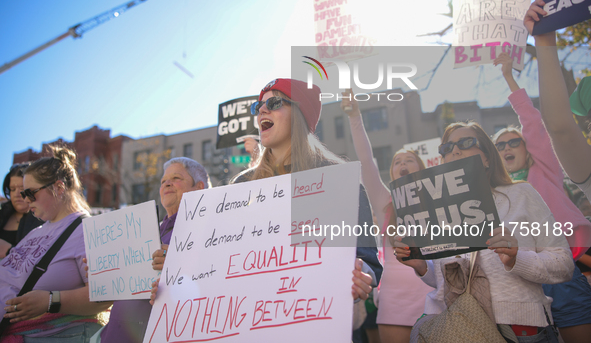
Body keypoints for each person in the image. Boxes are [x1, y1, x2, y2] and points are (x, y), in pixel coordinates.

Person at [394, 121, 573, 343]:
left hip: (519, 331)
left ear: (487, 157)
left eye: (466, 142)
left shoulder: (521, 194)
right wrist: (422, 266)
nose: (455, 150)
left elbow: (564, 264)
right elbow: (445, 281)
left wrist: (516, 259)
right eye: (446, 148)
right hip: (456, 329)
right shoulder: (436, 213)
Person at [232, 78, 383, 340]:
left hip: (321, 326)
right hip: (257, 327)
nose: (262, 111)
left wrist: (361, 276)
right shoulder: (241, 186)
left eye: (274, 103)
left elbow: (368, 259)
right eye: (258, 106)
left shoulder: (338, 179)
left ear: (301, 115)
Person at [492, 52, 591, 342]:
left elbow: (532, 122)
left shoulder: (544, 170)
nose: (507, 147)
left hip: (560, 271)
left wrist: (509, 78)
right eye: (500, 146)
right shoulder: (499, 193)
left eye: (514, 142)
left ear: (527, 148)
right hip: (521, 278)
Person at [523, 0, 591, 343]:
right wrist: (544, 38)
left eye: (512, 144)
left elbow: (551, 128)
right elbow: (561, 127)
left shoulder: (544, 170)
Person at [341, 89, 432, 343]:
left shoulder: (438, 204)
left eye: (409, 160)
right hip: (393, 303)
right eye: (397, 161)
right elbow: (366, 160)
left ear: (421, 169)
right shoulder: (385, 204)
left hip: (435, 299)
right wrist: (354, 116)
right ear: (392, 172)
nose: (402, 164)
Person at [90, 157, 211, 343]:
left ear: (199, 187)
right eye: (163, 181)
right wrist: (101, 271)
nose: (167, 183)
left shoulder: (209, 228)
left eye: (176, 178)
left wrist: (180, 264)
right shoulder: (148, 231)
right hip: (113, 334)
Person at [0, 145, 111, 341]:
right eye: (23, 195)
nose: (26, 200)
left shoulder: (88, 230)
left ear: (59, 188)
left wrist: (51, 301)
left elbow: (104, 295)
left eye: (30, 193)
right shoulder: (37, 230)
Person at [0, 164, 43, 258]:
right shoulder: (1, 212)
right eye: (12, 189)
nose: (16, 194)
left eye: (22, 189)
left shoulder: (43, 219)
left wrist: (9, 250)